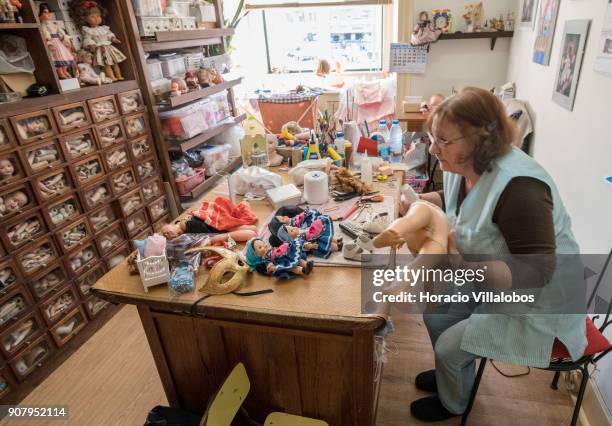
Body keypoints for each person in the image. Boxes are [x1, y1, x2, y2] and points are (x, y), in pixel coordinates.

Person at [400, 87, 586, 422]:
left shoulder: (521, 189)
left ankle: (453, 401)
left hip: (537, 304)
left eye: (443, 140)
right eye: (432, 137)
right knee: (436, 315)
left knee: (447, 346)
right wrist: (417, 203)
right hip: (492, 275)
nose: (433, 147)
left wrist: (461, 263)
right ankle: (453, 374)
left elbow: (537, 273)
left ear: (481, 139)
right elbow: (458, 201)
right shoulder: (465, 164)